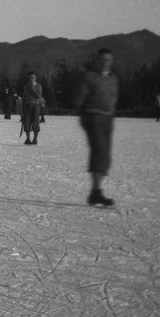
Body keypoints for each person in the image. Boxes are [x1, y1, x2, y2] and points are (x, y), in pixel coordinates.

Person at [71, 48, 119, 207]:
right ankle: (97, 191)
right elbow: (78, 99)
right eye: (102, 60)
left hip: (108, 118)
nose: (105, 63)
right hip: (94, 117)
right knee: (99, 152)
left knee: (105, 154)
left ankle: (95, 191)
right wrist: (83, 116)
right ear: (96, 61)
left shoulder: (113, 78)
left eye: (108, 60)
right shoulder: (89, 77)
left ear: (112, 62)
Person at [22, 72, 43, 145]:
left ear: (35, 78)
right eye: (30, 77)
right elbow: (24, 96)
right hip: (27, 106)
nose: (31, 79)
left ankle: (35, 139)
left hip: (36, 106)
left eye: (33, 77)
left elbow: (38, 96)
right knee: (27, 122)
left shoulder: (38, 86)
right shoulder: (26, 86)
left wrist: (32, 88)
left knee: (35, 122)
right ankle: (28, 139)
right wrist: (22, 107)